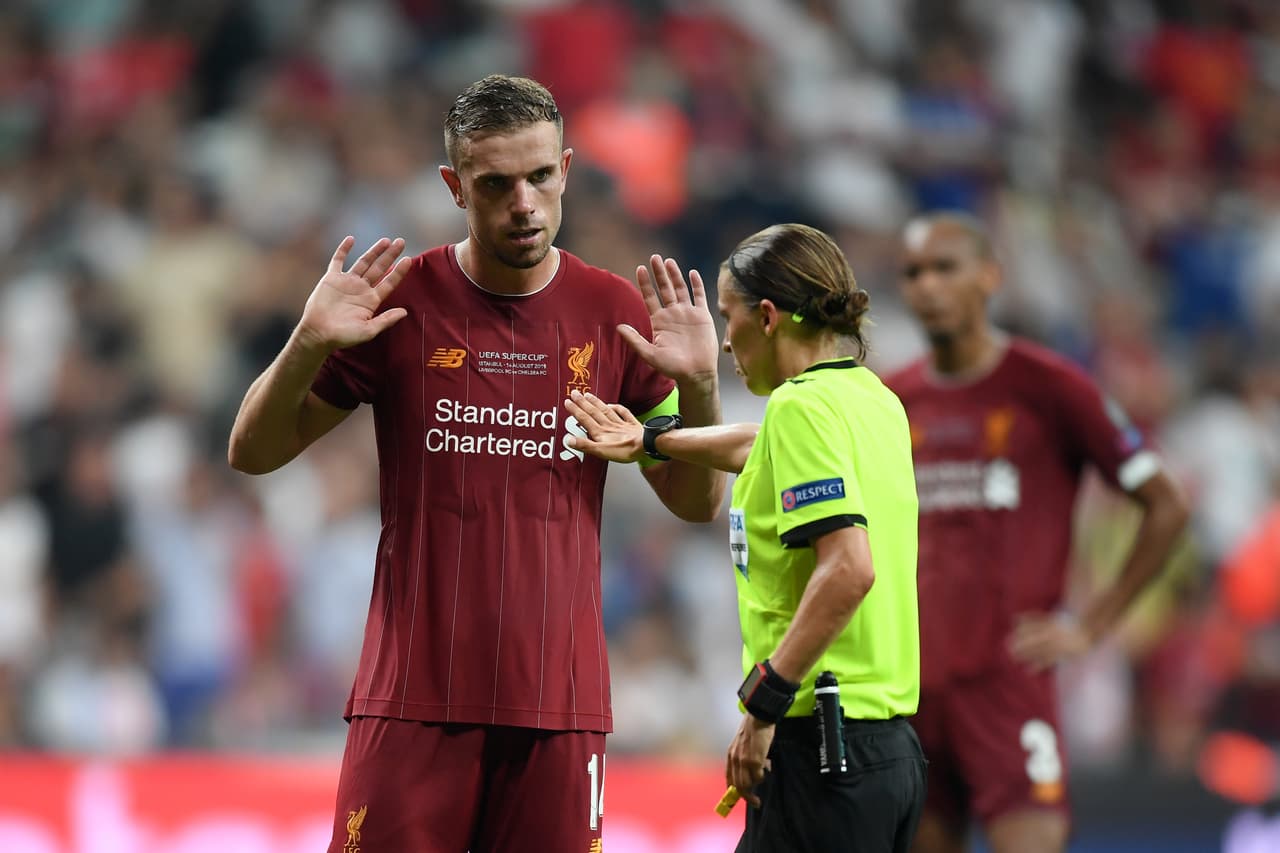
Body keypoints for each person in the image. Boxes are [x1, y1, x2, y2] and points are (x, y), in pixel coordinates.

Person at [226, 74, 726, 853]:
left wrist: (697, 388)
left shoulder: (616, 316)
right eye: (495, 183)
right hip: (411, 699)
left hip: (560, 706)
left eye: (539, 177)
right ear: (455, 187)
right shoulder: (401, 303)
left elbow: (696, 502)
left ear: (565, 168)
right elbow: (252, 452)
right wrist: (308, 341)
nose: (523, 202)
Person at [566, 222, 927, 853]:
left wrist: (763, 704)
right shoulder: (871, 399)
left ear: (767, 317)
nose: (725, 344)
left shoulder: (799, 409)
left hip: (821, 747)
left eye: (728, 317)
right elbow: (756, 446)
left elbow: (849, 569)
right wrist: (651, 439)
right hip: (885, 755)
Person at [885, 211, 1190, 853]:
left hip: (1007, 682)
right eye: (913, 273)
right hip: (911, 689)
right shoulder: (892, 400)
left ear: (990, 276)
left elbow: (1165, 504)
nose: (928, 286)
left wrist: (1093, 623)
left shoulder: (1049, 387)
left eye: (945, 268)